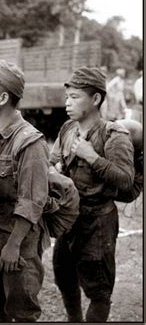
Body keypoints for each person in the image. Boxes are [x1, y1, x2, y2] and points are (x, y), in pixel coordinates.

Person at [50, 67, 135, 322]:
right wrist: (55, 169)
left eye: (75, 97)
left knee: (98, 289)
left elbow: (125, 179)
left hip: (98, 223)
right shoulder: (67, 129)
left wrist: (92, 157)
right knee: (64, 277)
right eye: (67, 97)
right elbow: (54, 159)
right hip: (68, 218)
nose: (67, 103)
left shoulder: (113, 134)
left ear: (95, 99)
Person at [0, 60, 50, 322]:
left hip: (16, 246)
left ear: (3, 97)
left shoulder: (30, 142)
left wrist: (13, 245)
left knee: (21, 314)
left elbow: (32, 200)